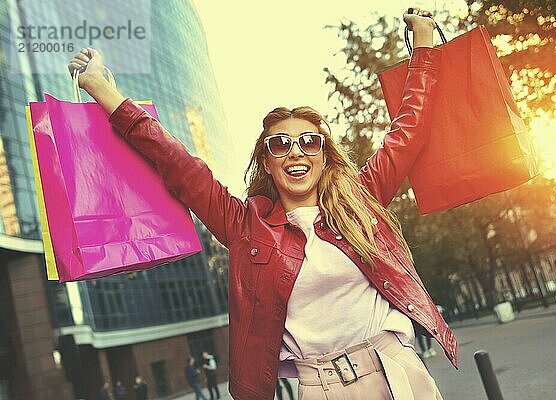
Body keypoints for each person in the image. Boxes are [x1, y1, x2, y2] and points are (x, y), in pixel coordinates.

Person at [68, 6, 455, 399]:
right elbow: (177, 163)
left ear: (324, 155)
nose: (296, 153)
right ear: (267, 163)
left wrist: (423, 39)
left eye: (309, 142)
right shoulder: (244, 226)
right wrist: (101, 87)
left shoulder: (362, 200)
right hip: (320, 387)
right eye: (280, 144)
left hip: (398, 372)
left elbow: (410, 128)